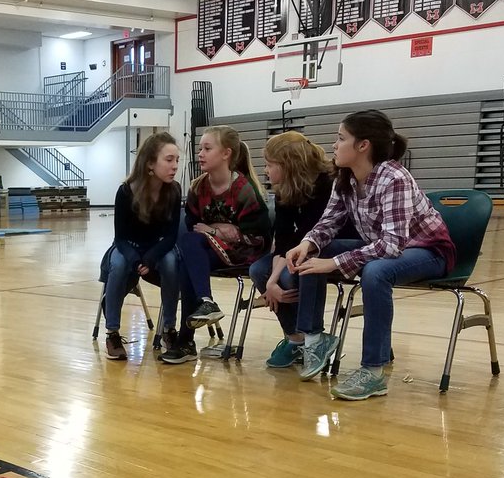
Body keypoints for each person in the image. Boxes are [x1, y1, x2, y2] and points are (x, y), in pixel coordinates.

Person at [286, 109, 456, 401]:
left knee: (375, 272)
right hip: (383, 248)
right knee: (314, 254)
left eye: (341, 139)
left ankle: (373, 372)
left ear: (363, 145)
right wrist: (308, 243)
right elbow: (329, 222)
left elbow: (392, 245)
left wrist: (335, 262)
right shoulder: (345, 177)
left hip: (428, 251)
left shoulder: (394, 178)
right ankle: (315, 339)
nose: (334, 145)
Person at [161, 125, 271, 365]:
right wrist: (220, 231)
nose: (200, 153)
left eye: (207, 148)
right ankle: (204, 307)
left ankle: (187, 337)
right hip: (209, 249)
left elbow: (258, 237)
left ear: (226, 154)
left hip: (246, 252)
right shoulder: (198, 187)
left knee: (189, 253)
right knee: (186, 255)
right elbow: (192, 226)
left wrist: (213, 230)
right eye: (200, 148)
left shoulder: (244, 190)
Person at [249, 131, 337, 369]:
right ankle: (295, 338)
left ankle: (311, 337)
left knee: (287, 275)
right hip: (296, 250)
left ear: (289, 164)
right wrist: (270, 283)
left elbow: (309, 236)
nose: (265, 171)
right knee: (258, 271)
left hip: (324, 248)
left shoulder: (325, 185)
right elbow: (285, 238)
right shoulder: (283, 190)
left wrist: (275, 279)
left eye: (269, 165)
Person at [102, 132, 181, 361]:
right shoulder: (126, 191)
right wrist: (137, 260)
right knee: (117, 263)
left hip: (158, 248)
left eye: (177, 160)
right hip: (130, 247)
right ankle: (113, 333)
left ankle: (169, 329)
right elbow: (120, 238)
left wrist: (150, 258)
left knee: (171, 262)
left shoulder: (174, 191)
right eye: (169, 160)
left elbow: (171, 236)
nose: (175, 166)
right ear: (149, 163)